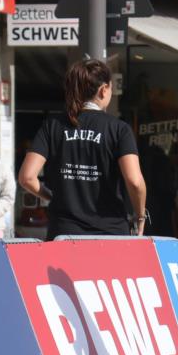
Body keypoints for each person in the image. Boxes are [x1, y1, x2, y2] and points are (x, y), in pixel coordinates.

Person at [18, 60, 147, 239]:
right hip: (110, 234)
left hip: (64, 232)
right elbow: (134, 180)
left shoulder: (53, 126)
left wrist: (52, 196)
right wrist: (140, 215)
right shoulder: (119, 129)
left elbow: (26, 178)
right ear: (103, 90)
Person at [139, 138, 178, 237]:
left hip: (148, 201)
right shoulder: (164, 160)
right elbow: (170, 184)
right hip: (163, 203)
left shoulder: (142, 160)